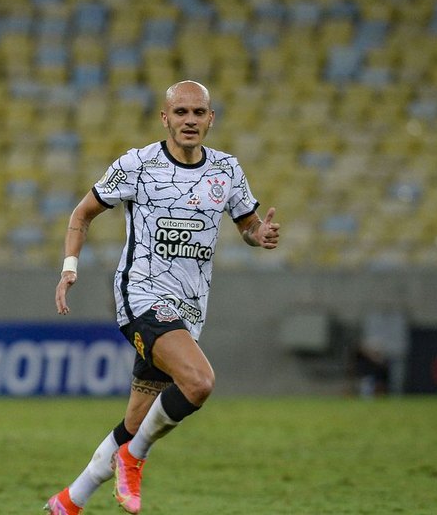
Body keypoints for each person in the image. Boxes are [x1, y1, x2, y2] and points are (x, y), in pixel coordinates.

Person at [45, 80, 280, 515]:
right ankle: (134, 459)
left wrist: (258, 235)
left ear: (211, 119)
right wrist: (69, 269)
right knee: (199, 381)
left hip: (190, 309)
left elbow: (247, 226)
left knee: (135, 420)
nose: (189, 121)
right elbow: (82, 214)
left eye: (198, 113)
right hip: (142, 296)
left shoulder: (226, 170)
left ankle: (67, 502)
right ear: (165, 117)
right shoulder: (138, 164)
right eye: (181, 112)